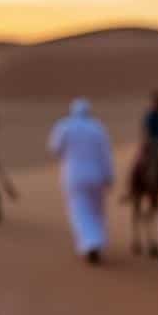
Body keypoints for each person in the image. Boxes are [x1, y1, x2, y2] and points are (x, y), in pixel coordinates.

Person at [48, 98, 114, 264]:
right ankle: (96, 242)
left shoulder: (64, 126)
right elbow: (106, 155)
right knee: (97, 212)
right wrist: (109, 176)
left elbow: (55, 149)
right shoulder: (97, 128)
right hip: (96, 175)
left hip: (74, 175)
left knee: (80, 211)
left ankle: (90, 243)